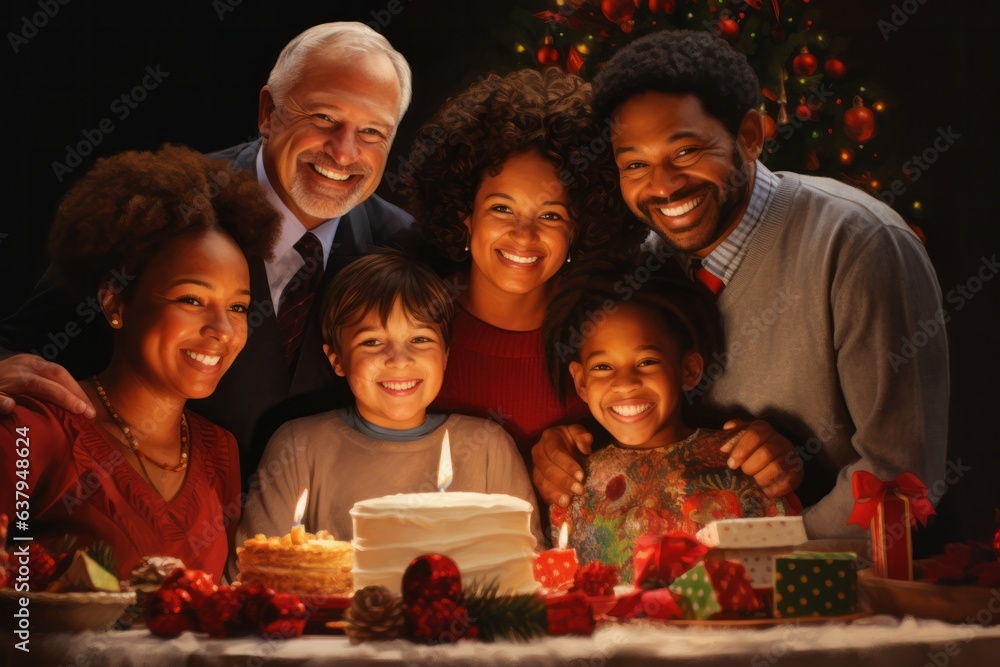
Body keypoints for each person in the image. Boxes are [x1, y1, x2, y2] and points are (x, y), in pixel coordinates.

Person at [532, 30, 948, 538]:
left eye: (685, 152)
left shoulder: (859, 245)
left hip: (846, 591)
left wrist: (759, 559)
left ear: (749, 135)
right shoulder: (639, 266)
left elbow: (900, 475)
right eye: (635, 164)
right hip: (683, 592)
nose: (662, 186)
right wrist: (567, 448)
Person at [0, 22, 415, 486]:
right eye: (323, 118)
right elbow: (22, 344)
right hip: (140, 513)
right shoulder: (161, 207)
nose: (344, 152)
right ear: (268, 112)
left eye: (373, 132)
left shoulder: (406, 247)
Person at [0, 145, 281, 580]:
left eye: (239, 308)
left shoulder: (218, 450)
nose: (222, 330)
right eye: (191, 300)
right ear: (115, 300)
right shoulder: (33, 430)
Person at [401, 67, 648, 465]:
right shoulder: (406, 321)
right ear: (465, 213)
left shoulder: (603, 339)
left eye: (550, 216)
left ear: (578, 229)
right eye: (502, 209)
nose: (523, 235)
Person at [235, 249, 542, 552]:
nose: (398, 360)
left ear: (446, 355)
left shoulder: (488, 448)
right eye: (372, 342)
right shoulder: (298, 447)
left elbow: (526, 576)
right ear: (337, 359)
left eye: (420, 339)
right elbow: (256, 576)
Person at [544, 262, 798, 580]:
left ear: (689, 370)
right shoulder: (573, 482)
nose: (624, 383)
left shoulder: (743, 462)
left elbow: (787, 566)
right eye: (603, 367)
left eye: (647, 362)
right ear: (580, 382)